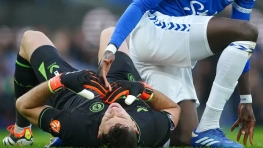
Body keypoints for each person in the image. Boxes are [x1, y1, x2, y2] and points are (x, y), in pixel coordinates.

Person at [98, 0, 262, 147]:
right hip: (152, 33)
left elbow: (241, 47)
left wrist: (246, 99)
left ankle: (80, 132)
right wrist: (112, 46)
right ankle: (211, 126)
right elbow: (141, 2)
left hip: (174, 53)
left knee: (182, 136)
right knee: (247, 31)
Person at [2, 30, 180, 147]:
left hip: (72, 95)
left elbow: (24, 105)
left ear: (99, 132)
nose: (114, 110)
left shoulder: (78, 127)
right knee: (110, 33)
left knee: (30, 38)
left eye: (108, 118)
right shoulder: (152, 128)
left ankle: (21, 133)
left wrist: (61, 81)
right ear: (134, 127)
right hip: (121, 84)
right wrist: (142, 89)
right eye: (121, 117)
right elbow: (173, 109)